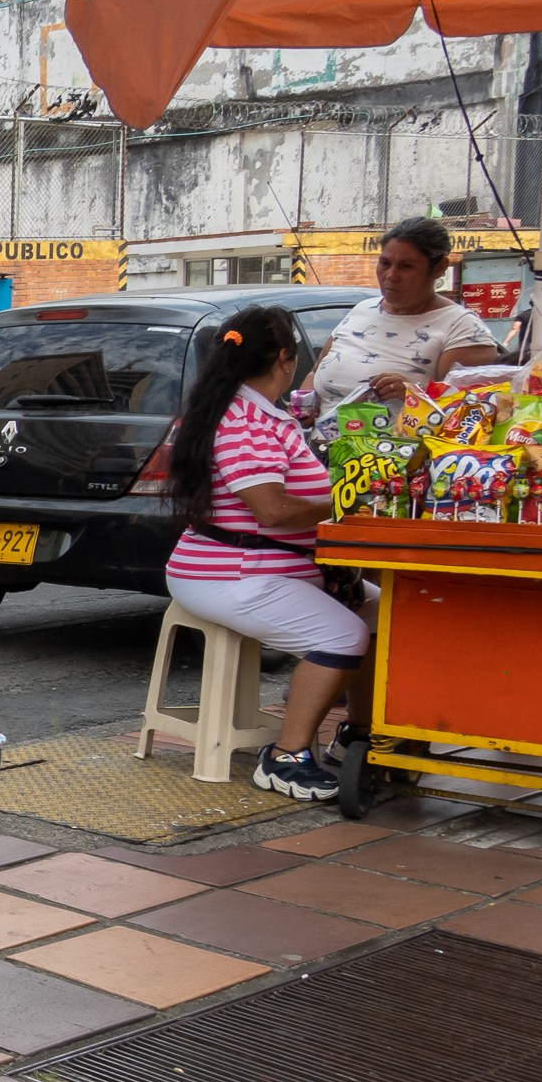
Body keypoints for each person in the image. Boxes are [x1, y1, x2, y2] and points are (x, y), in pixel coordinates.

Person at [166, 304, 378, 803]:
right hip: (230, 573)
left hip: (268, 567)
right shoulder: (242, 421)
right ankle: (286, 757)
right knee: (343, 634)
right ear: (284, 357)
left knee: (383, 613)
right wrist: (351, 495)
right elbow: (274, 511)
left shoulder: (256, 412)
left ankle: (359, 733)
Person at [310, 217, 500, 412]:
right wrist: (306, 404)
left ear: (439, 268)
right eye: (385, 263)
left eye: (406, 266)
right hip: (321, 441)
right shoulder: (361, 311)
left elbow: (471, 411)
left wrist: (414, 393)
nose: (391, 275)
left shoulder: (462, 330)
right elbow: (316, 372)